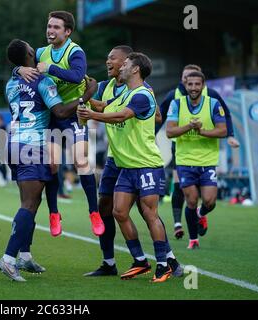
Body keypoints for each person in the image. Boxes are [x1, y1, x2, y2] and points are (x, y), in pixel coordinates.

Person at [0, 39, 97, 281]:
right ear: (31, 54)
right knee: (29, 205)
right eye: (32, 47)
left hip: (12, 144)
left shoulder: (10, 84)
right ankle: (8, 259)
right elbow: (60, 112)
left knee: (30, 203)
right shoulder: (44, 81)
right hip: (33, 146)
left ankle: (25, 255)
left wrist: (17, 69)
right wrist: (86, 96)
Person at [78, 52, 176, 282]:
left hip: (146, 165)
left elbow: (120, 116)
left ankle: (164, 264)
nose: (120, 67)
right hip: (126, 166)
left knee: (150, 214)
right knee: (118, 212)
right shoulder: (126, 94)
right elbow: (105, 106)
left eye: (125, 64)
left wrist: (91, 114)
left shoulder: (142, 95)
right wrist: (81, 89)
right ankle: (140, 261)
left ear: (135, 70)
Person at [16, 11, 104, 238]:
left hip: (74, 113)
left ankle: (94, 212)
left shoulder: (75, 51)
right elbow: (17, 59)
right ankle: (54, 213)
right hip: (52, 116)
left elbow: (77, 76)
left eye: (56, 27)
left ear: (67, 32)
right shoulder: (40, 52)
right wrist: (19, 69)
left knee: (81, 160)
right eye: (49, 26)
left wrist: (49, 69)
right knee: (52, 165)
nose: (50, 31)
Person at [157, 64, 240, 239]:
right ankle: (178, 223)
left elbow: (226, 116)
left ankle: (199, 215)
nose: (190, 82)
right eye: (186, 78)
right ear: (183, 79)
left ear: (202, 82)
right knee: (180, 187)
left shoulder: (211, 96)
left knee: (207, 198)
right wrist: (150, 137)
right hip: (180, 148)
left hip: (205, 153)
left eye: (195, 80)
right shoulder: (174, 96)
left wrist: (230, 134)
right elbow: (161, 118)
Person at [166, 71, 227, 249]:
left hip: (207, 161)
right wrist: (189, 126)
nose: (193, 88)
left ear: (203, 85)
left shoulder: (214, 104)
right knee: (191, 200)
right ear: (185, 85)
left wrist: (202, 132)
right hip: (185, 161)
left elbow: (222, 130)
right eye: (190, 84)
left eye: (197, 84)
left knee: (210, 201)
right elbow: (169, 132)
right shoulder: (176, 104)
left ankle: (201, 213)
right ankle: (193, 240)